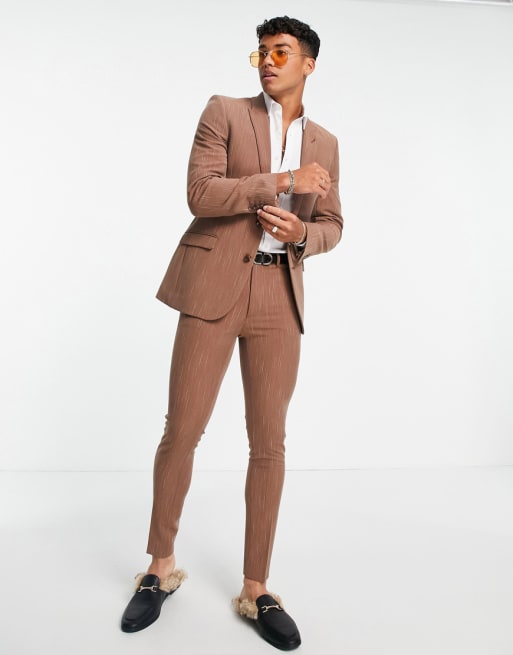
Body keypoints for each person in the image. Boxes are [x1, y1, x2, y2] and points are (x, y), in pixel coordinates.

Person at [120, 15, 343, 651]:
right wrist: (283, 181)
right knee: (183, 429)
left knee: (269, 443)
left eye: (282, 52)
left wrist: (304, 234)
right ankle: (160, 567)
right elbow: (202, 194)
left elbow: (333, 224)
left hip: (278, 296)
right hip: (212, 288)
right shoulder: (224, 111)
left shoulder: (325, 142)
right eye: (261, 52)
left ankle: (257, 587)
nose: (268, 61)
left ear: (309, 64)